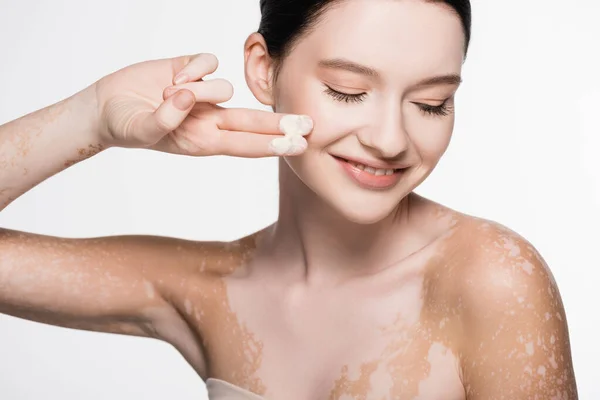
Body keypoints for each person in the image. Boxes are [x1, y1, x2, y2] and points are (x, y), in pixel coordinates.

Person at [0, 0, 578, 398]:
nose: (391, 139)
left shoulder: (491, 280)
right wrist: (89, 119)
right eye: (347, 91)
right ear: (263, 68)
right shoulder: (208, 289)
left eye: (431, 103)